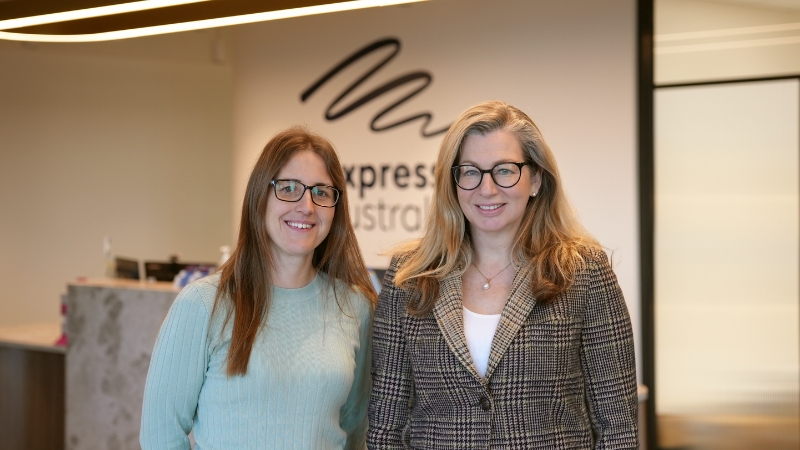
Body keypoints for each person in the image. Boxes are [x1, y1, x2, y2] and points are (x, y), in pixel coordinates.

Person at [368, 101, 638, 449]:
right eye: (470, 171)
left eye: (505, 170)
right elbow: (386, 426)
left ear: (536, 179)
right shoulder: (410, 277)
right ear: (451, 183)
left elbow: (617, 426)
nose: (487, 188)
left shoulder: (583, 272)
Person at [141, 127, 376, 450]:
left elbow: (355, 430)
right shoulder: (203, 304)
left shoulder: (354, 307)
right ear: (259, 197)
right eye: (289, 188)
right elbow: (160, 436)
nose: (306, 206)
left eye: (321, 192)